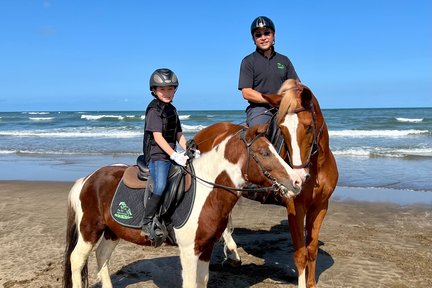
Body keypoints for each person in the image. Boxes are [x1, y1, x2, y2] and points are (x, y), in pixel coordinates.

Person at [141, 68, 189, 237]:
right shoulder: (154, 110)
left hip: (171, 153)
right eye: (162, 89)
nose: (167, 93)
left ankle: (172, 217)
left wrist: (188, 149)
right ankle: (147, 221)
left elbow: (178, 134)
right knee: (160, 186)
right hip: (158, 156)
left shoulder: (172, 110)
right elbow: (158, 137)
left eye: (170, 89)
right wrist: (174, 155)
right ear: (154, 90)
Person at [238, 16, 300, 127]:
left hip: (284, 107)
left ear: (274, 35)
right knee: (259, 136)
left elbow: (296, 86)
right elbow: (246, 92)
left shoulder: (284, 60)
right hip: (259, 109)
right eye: (258, 35)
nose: (263, 38)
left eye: (267, 33)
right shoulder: (248, 61)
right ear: (253, 39)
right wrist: (272, 100)